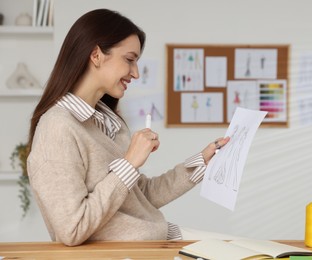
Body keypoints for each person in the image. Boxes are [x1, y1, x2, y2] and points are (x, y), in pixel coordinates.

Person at [26, 9, 229, 246]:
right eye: (129, 59)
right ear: (96, 55)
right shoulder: (58, 128)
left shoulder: (107, 123)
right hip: (134, 251)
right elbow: (72, 229)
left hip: (157, 240)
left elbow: (139, 197)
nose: (136, 73)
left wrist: (201, 162)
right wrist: (129, 163)